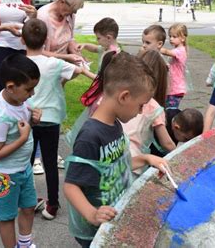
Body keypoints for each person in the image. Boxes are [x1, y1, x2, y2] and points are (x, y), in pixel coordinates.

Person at [63, 52, 169, 248]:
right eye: (140, 105)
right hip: (94, 229)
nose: (139, 111)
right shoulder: (91, 136)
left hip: (113, 218)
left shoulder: (115, 125)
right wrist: (92, 214)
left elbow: (116, 165)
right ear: (124, 96)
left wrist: (146, 158)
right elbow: (71, 185)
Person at [21, 19, 91, 221]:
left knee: (26, 162)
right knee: (50, 163)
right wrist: (62, 80)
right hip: (51, 119)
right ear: (46, 40)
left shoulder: (21, 63)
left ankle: (29, 199)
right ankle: (53, 204)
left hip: (27, 119)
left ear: (23, 39)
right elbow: (77, 71)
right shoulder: (55, 64)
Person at [0, 53, 41, 248]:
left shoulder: (20, 100)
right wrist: (24, 138)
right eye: (29, 89)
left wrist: (33, 121)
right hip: (5, 175)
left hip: (22, 167)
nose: (32, 94)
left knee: (28, 206)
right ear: (11, 87)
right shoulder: (1, 118)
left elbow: (25, 124)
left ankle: (24, 243)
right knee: (8, 217)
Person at [123, 50, 176, 174]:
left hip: (113, 157)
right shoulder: (153, 106)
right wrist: (180, 156)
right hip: (135, 162)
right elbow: (167, 143)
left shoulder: (125, 94)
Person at [65, 51, 118, 149]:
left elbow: (96, 78)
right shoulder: (104, 98)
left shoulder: (103, 84)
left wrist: (85, 71)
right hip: (96, 137)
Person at [37, 0, 85, 65]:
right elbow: (37, 52)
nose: (74, 13)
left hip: (62, 66)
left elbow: (70, 39)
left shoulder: (69, 15)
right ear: (62, 1)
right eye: (73, 9)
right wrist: (66, 57)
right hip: (46, 68)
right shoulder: (42, 17)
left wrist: (75, 49)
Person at [160, 23, 188, 109]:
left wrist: (155, 46)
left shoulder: (181, 51)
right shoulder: (177, 49)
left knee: (170, 111)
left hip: (175, 89)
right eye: (170, 36)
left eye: (174, 37)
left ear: (182, 38)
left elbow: (167, 52)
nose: (171, 39)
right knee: (166, 109)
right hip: (172, 87)